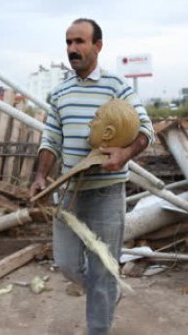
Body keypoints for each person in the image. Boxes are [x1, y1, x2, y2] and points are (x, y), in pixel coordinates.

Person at [29, 18, 154, 335]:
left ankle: (99, 324)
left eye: (80, 42)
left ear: (98, 46)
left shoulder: (117, 88)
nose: (72, 49)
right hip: (68, 193)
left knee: (101, 270)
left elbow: (145, 130)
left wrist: (124, 154)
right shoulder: (60, 93)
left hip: (106, 194)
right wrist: (40, 176)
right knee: (68, 264)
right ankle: (107, 295)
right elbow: (50, 140)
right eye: (68, 42)